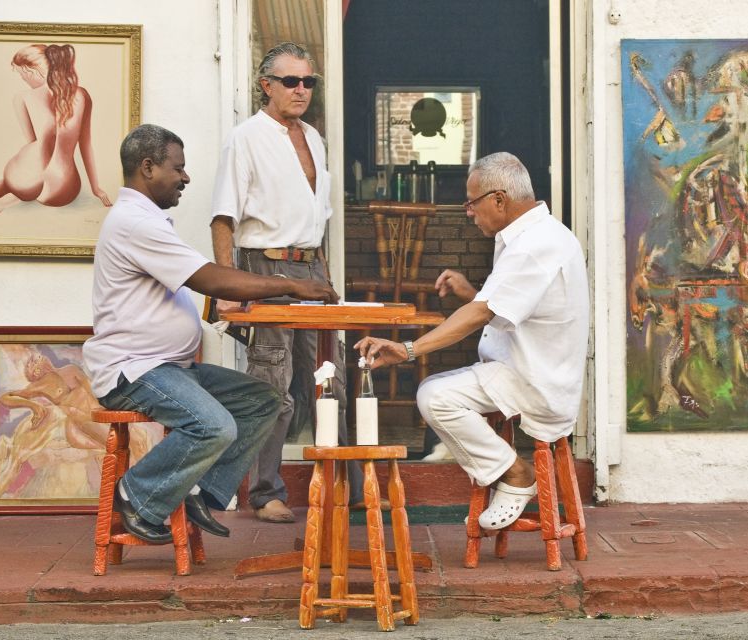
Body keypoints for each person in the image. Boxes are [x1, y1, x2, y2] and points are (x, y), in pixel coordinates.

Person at [83, 124, 338, 543]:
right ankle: (137, 493)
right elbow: (210, 279)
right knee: (215, 425)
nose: (185, 178)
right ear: (147, 168)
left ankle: (199, 489)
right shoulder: (133, 222)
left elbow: (196, 283)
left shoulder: (148, 219)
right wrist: (291, 284)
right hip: (136, 371)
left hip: (172, 368)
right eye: (177, 168)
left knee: (266, 400)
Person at [355, 152, 589, 531]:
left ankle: (515, 474)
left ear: (498, 199)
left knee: (435, 396)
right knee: (439, 389)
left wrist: (408, 349)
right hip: (523, 370)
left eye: (471, 202)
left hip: (532, 378)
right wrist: (472, 294)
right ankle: (506, 470)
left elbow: (483, 314)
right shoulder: (537, 234)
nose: (468, 212)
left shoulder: (534, 244)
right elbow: (511, 306)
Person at [210, 42, 365, 523]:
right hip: (265, 267)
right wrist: (225, 291)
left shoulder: (314, 138)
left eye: (309, 82)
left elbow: (316, 220)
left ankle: (344, 484)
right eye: (292, 82)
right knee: (271, 381)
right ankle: (265, 492)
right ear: (266, 85)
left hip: (312, 268)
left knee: (329, 376)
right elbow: (222, 219)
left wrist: (325, 275)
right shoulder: (247, 137)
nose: (302, 90)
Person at [0, 44, 111, 216]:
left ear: (32, 71)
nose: (24, 81)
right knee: (35, 180)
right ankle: (5, 200)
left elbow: (32, 143)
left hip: (21, 176)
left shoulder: (21, 98)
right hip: (62, 187)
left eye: (22, 76)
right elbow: (85, 144)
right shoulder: (81, 95)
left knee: (20, 177)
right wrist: (96, 188)